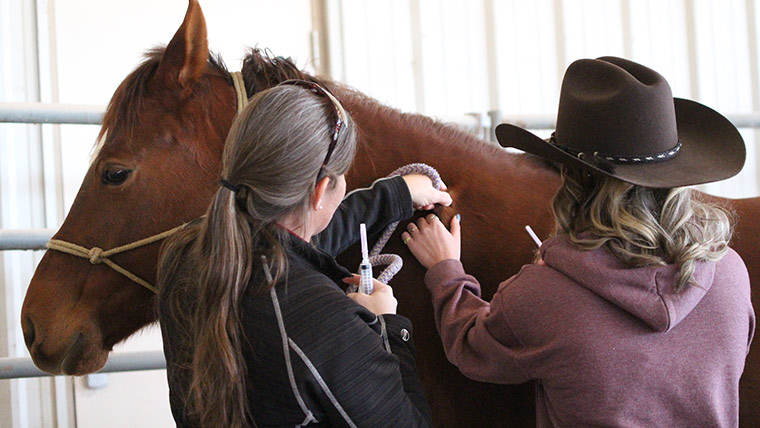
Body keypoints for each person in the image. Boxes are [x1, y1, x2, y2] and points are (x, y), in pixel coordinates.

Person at [401, 57, 755, 427]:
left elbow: (472, 348)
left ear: (572, 178)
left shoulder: (541, 294)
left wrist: (446, 273)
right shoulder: (730, 272)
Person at [156, 79, 451, 428]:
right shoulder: (325, 322)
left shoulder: (187, 253)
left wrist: (395, 194)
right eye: (342, 178)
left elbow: (296, 240)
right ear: (321, 191)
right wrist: (389, 327)